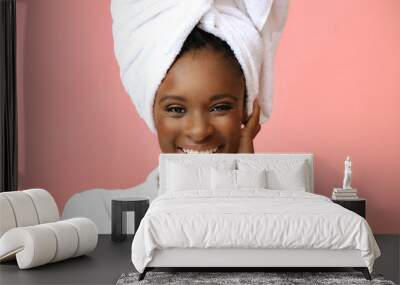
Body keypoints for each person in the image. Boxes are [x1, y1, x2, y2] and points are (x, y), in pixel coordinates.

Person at [62, 0, 289, 233]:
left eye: (220, 107)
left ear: (247, 110)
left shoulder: (285, 219)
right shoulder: (96, 215)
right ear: (150, 109)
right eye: (176, 109)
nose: (199, 131)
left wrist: (244, 183)